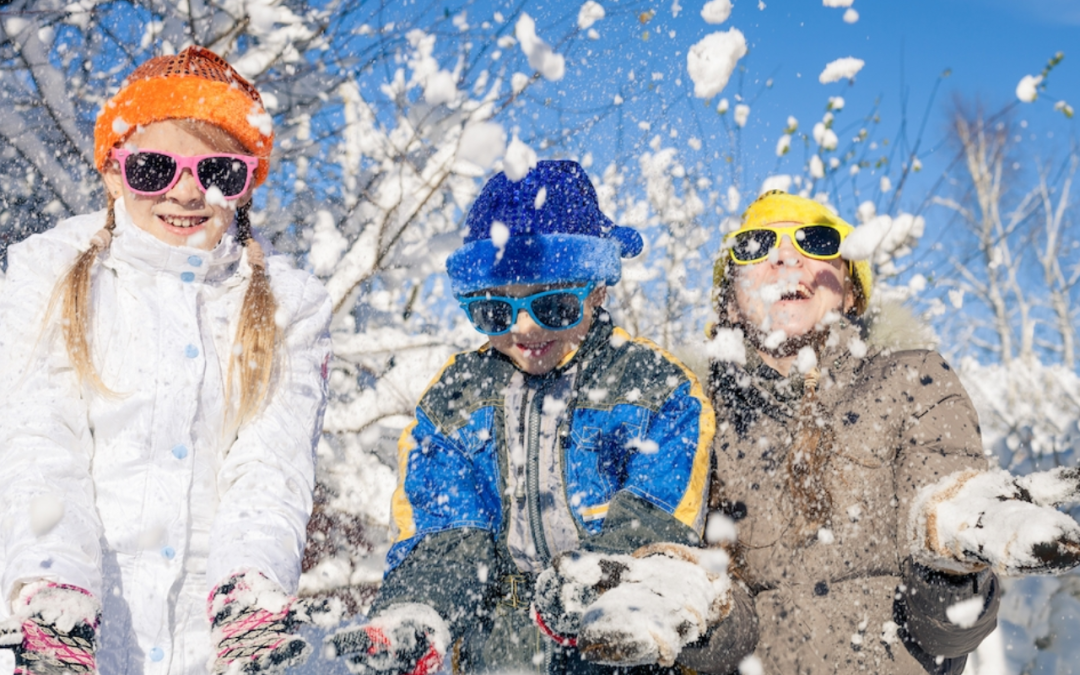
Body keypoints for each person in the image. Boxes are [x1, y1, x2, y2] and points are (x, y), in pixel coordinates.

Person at [326, 160, 757, 675]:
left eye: (553, 306)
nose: (524, 328)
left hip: (614, 643)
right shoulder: (454, 402)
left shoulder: (655, 390)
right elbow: (444, 533)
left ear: (597, 289)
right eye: (495, 312)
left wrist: (596, 581)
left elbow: (654, 517)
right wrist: (422, 608)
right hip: (498, 649)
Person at [0, 47, 332, 674]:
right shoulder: (48, 274)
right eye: (154, 167)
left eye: (219, 173)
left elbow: (270, 467)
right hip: (71, 637)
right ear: (112, 172)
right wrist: (55, 593)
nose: (187, 190)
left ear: (246, 184)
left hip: (201, 647)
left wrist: (249, 589)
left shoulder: (289, 305)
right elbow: (38, 441)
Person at [706, 190, 1080, 674]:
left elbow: (945, 633)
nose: (784, 255)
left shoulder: (913, 382)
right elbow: (723, 649)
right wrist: (697, 611)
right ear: (731, 301)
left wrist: (950, 556)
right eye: (754, 244)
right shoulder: (695, 419)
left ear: (850, 287)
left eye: (816, 241)